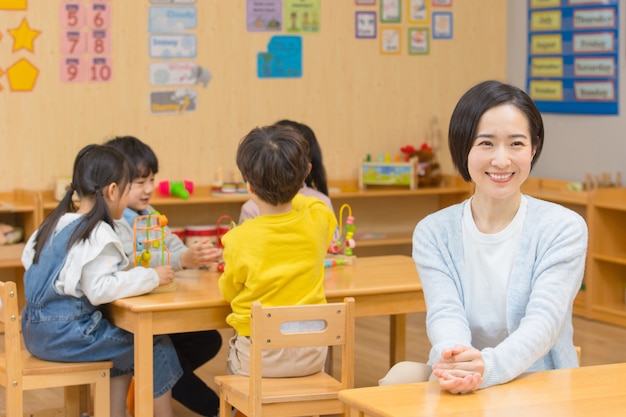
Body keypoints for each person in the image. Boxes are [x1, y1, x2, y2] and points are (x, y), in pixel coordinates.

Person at [379, 80, 588, 394]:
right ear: (464, 148)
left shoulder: (563, 228)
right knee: (395, 382)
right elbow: (445, 313)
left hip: (538, 382)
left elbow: (543, 323)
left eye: (516, 144)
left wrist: (486, 369)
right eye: (486, 143)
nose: (501, 160)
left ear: (533, 148)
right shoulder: (433, 232)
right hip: (460, 377)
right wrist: (460, 364)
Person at [21, 144, 181, 417]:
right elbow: (99, 290)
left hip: (33, 332)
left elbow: (34, 265)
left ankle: (113, 413)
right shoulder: (99, 232)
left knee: (122, 341)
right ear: (113, 190)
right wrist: (151, 276)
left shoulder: (54, 223)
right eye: (130, 188)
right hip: (67, 334)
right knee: (154, 343)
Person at [105, 135, 223, 417]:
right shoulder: (115, 220)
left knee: (208, 339)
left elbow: (176, 248)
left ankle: (149, 384)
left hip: (160, 303)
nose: (148, 189)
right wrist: (182, 260)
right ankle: (217, 408)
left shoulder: (150, 213)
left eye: (152, 180)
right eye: (139, 182)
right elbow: (129, 261)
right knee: (163, 355)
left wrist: (199, 258)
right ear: (116, 184)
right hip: (128, 314)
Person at [219, 125, 338, 377]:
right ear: (306, 172)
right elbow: (312, 201)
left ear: (248, 185)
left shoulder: (237, 239)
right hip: (313, 355)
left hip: (260, 360)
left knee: (232, 363)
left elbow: (229, 291)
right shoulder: (320, 218)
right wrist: (292, 185)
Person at [238, 119, 333, 223]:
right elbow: (332, 238)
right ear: (307, 170)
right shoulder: (321, 204)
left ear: (249, 184)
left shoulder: (249, 210)